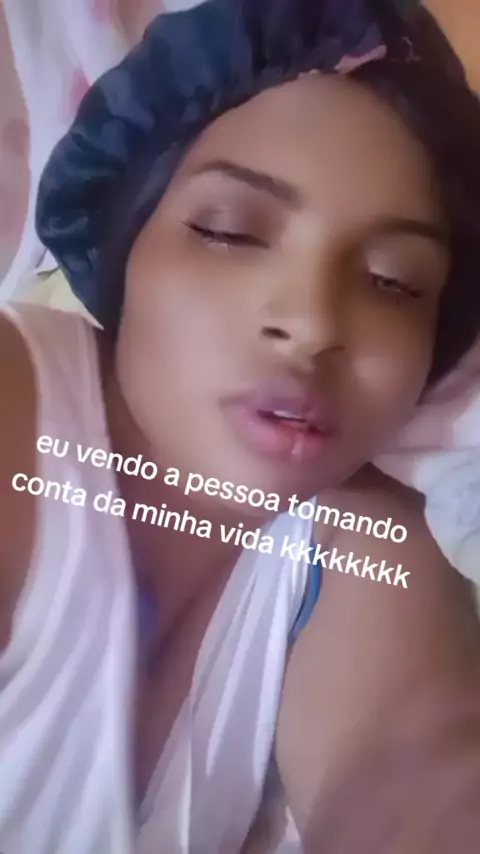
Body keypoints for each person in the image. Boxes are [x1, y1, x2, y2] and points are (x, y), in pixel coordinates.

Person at [1, 0, 480, 851]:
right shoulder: (17, 402)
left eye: (394, 281)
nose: (313, 323)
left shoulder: (364, 542)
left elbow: (412, 765)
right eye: (228, 232)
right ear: (126, 243)